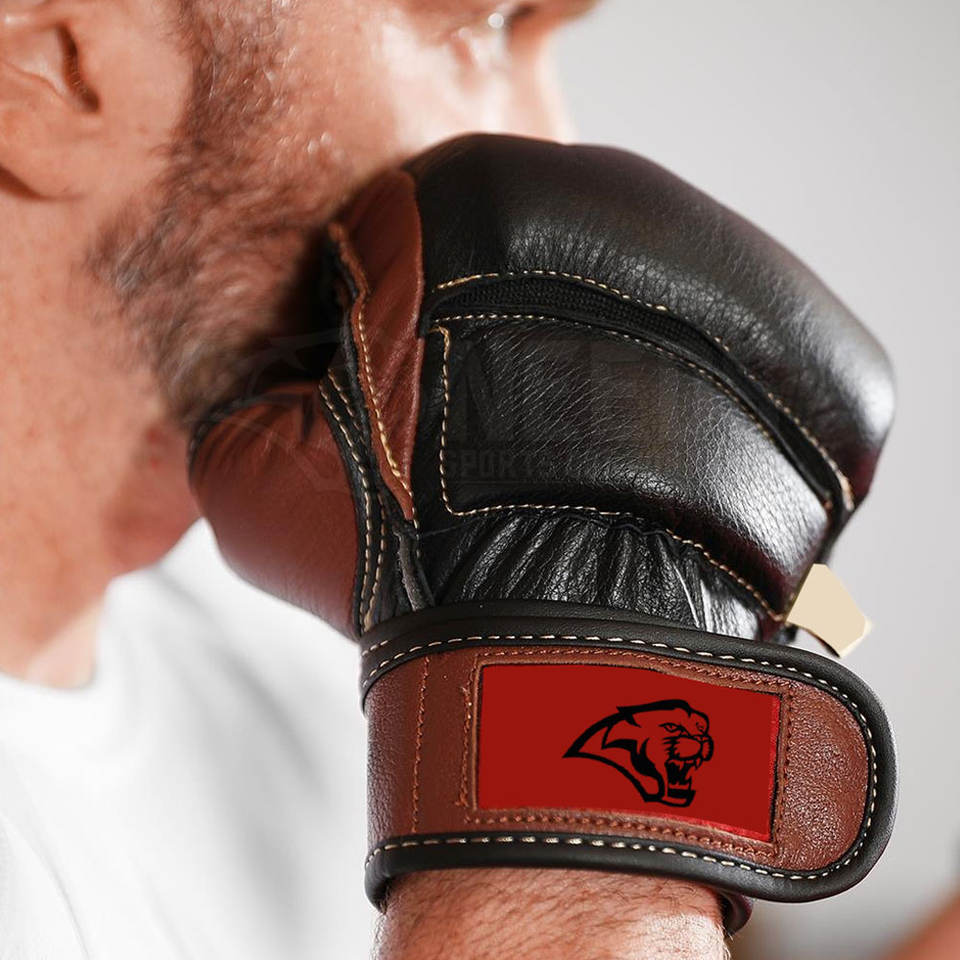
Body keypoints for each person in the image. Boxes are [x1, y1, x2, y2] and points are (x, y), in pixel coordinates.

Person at [0, 3, 933, 959]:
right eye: (479, 24)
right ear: (51, 62)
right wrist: (578, 857)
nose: (552, 135)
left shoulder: (323, 644)